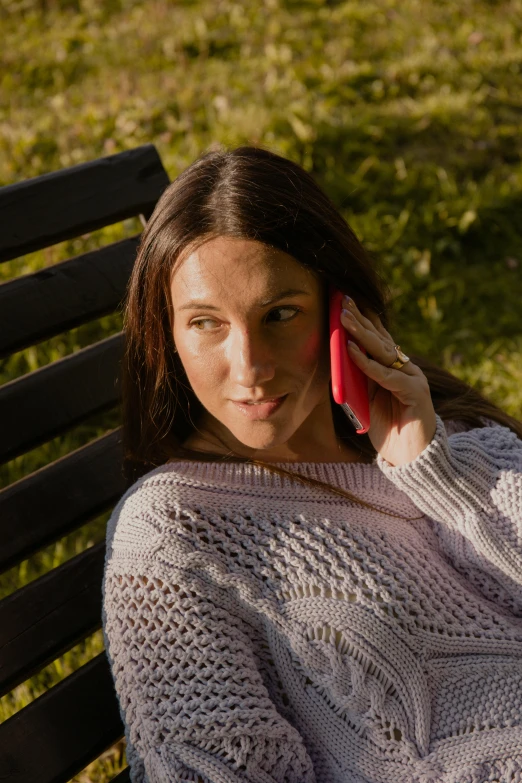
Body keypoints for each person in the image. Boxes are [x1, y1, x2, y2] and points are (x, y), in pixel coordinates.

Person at [102, 145, 522, 783]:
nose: (250, 368)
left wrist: (438, 474)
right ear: (166, 333)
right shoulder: (171, 535)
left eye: (279, 315)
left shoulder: (451, 438)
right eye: (206, 323)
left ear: (339, 309)